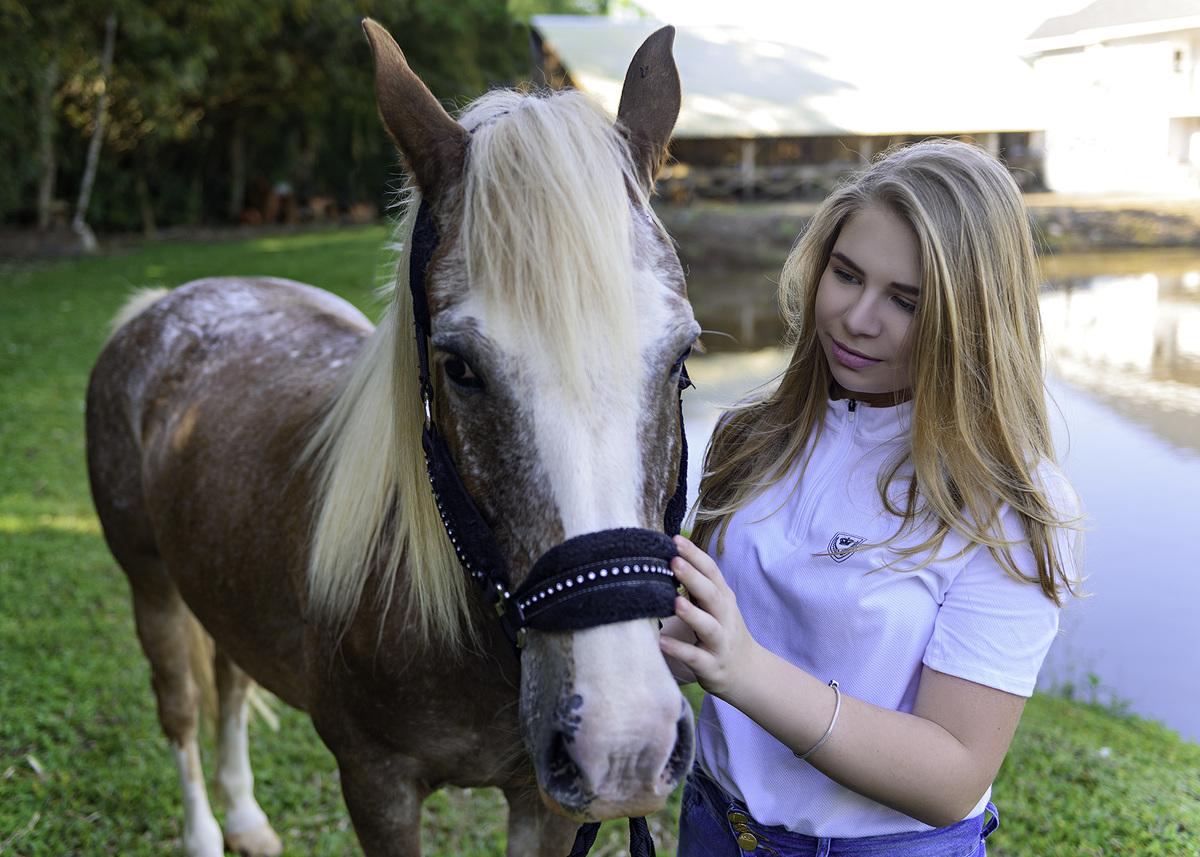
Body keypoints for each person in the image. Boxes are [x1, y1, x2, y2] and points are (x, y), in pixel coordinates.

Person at [660, 140, 1081, 857]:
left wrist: (746, 670)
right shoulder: (752, 433)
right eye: (846, 274)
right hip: (714, 824)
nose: (857, 317)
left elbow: (953, 771)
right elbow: (694, 631)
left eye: (905, 300)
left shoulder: (1009, 501)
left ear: (972, 317)